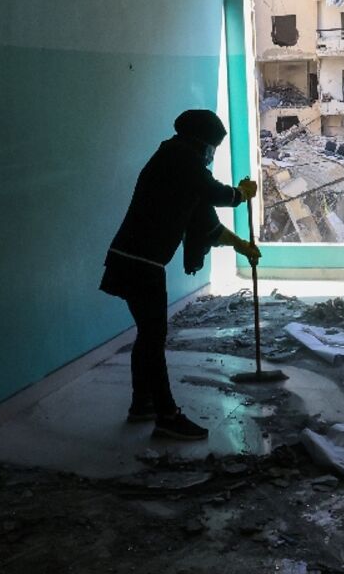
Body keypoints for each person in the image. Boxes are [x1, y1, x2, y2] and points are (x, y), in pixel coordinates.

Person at [100, 109, 260, 441]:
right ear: (201, 142)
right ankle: (166, 415)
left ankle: (142, 404)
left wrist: (241, 245)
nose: (211, 154)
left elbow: (206, 224)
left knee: (148, 336)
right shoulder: (178, 158)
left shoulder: (181, 169)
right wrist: (242, 193)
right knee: (153, 338)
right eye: (212, 147)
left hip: (137, 261)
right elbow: (219, 195)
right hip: (138, 263)